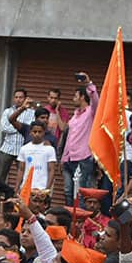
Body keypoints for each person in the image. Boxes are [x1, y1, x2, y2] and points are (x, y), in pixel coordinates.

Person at [61, 72, 99, 205]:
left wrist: (89, 83)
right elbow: (70, 137)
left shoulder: (90, 112)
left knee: (80, 192)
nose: (73, 99)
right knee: (68, 191)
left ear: (82, 97)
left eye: (75, 96)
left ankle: (80, 221)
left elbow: (96, 101)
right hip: (69, 159)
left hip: (83, 158)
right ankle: (70, 220)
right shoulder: (75, 115)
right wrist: (64, 157)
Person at [0, 88, 34, 181]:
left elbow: (30, 129)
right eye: (16, 97)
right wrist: (19, 128)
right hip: (7, 148)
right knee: (1, 176)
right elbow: (4, 127)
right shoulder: (8, 111)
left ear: (25, 98)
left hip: (22, 149)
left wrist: (18, 126)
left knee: (23, 177)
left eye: (21, 97)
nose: (18, 99)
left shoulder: (32, 113)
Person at [15, 120, 58, 194]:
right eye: (35, 132)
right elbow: (21, 169)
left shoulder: (49, 149)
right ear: (30, 132)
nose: (37, 134)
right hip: (26, 188)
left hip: (42, 188)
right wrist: (17, 187)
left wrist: (47, 189)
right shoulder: (24, 148)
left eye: (39, 132)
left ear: (44, 132)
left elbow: (51, 170)